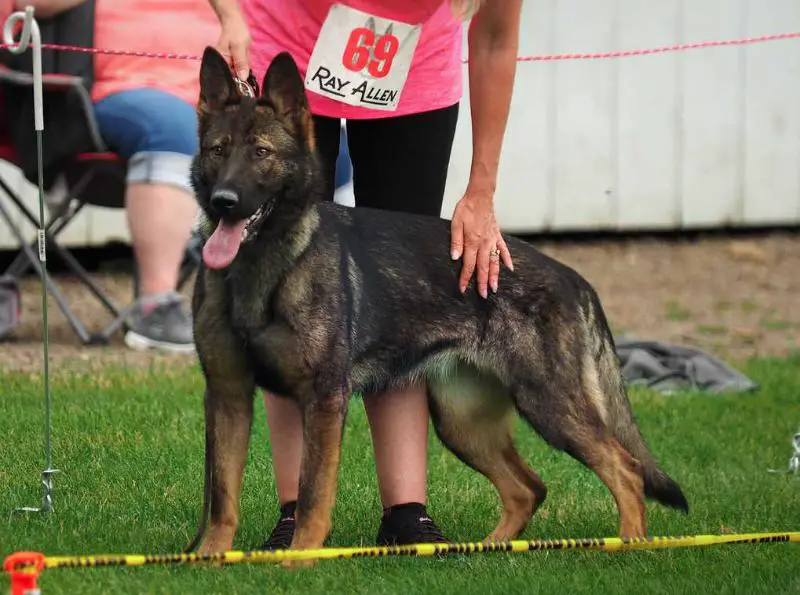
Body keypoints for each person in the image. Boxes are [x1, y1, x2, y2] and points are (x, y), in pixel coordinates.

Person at [210, 0, 522, 548]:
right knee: (285, 287)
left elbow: (495, 41)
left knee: (402, 294)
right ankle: (294, 511)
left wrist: (481, 191)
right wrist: (230, 16)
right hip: (290, 54)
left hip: (414, 72)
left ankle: (406, 513)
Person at [4, 0, 220, 353]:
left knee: (315, 148)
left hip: (215, 96)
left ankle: (298, 301)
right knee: (172, 125)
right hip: (111, 93)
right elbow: (30, 5)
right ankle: (156, 308)